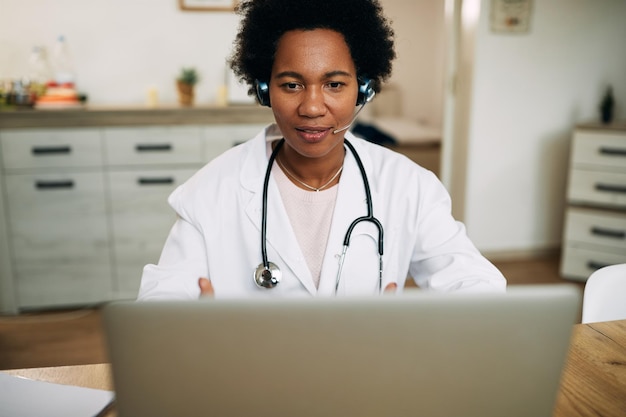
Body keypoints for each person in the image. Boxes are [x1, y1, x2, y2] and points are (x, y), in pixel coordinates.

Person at [138, 0, 506, 300]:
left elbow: (476, 287)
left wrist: (416, 328)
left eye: (333, 84)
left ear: (362, 90)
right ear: (265, 90)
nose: (312, 107)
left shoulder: (409, 186)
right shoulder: (209, 191)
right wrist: (190, 329)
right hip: (249, 381)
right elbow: (160, 304)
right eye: (292, 85)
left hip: (365, 378)